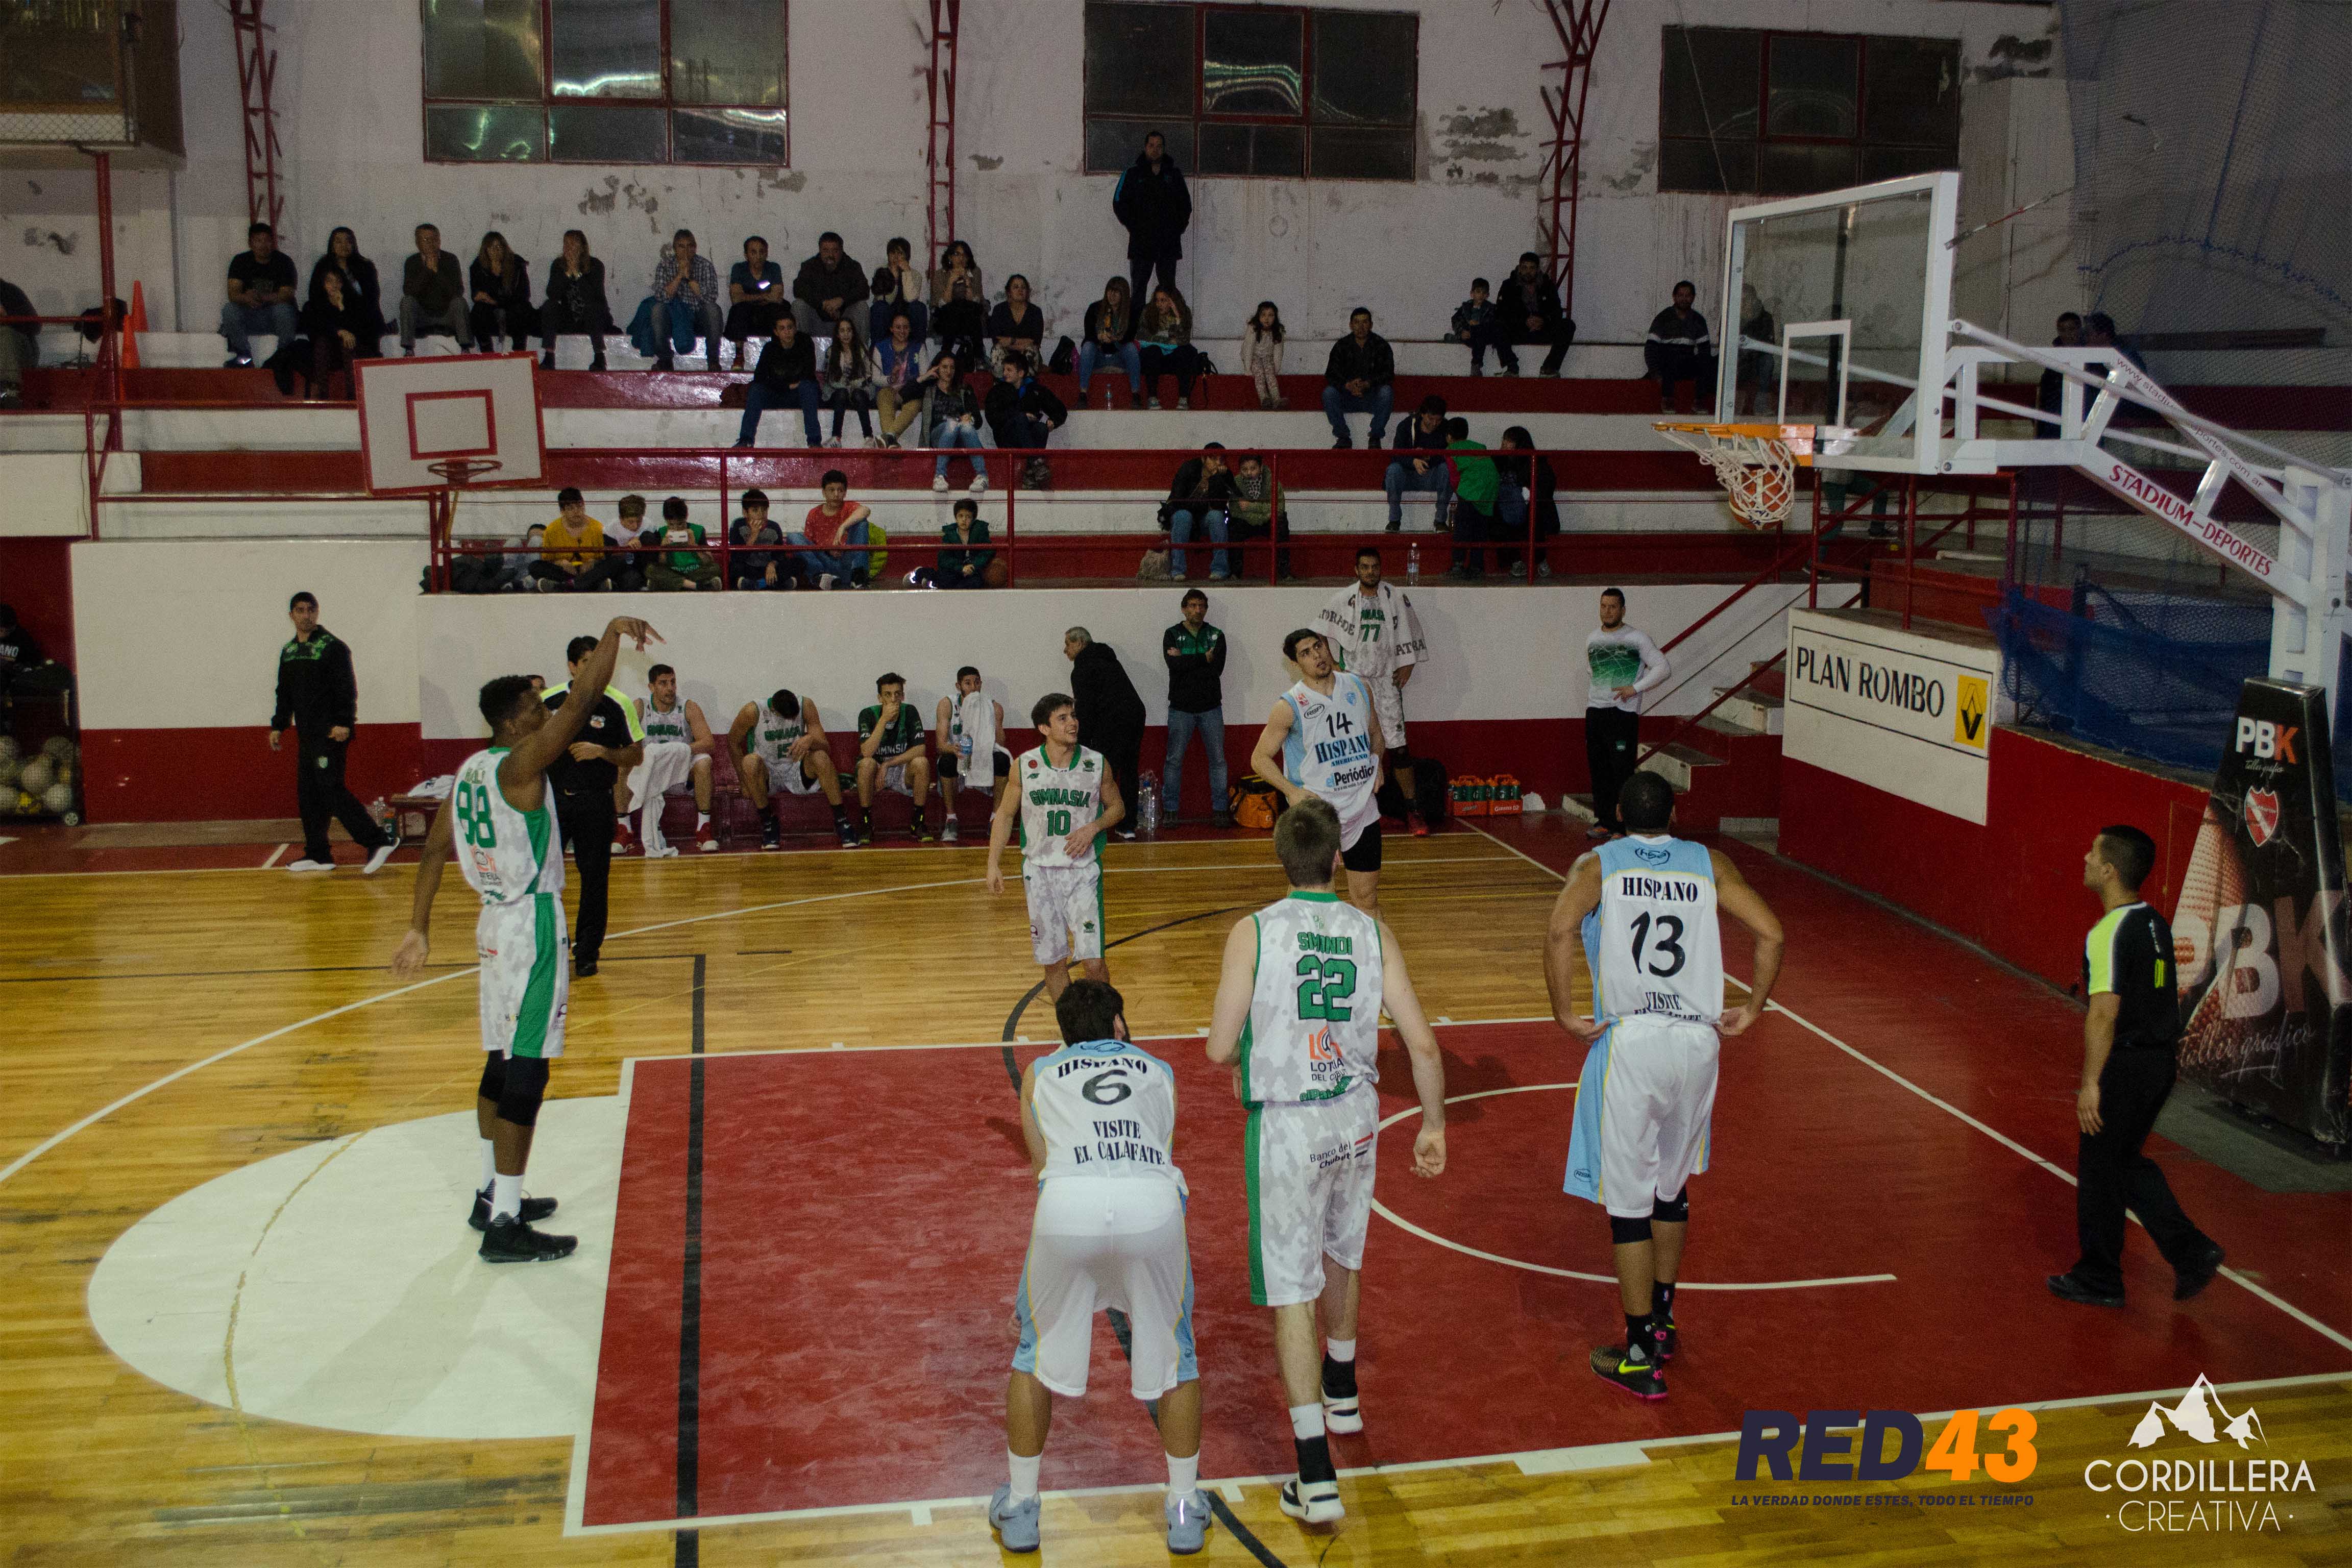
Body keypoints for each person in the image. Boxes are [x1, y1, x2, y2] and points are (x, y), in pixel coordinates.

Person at [1203, 798, 1448, 1526]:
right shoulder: (1372, 931)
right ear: (1338, 857)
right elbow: (1422, 1042)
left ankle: (1314, 1474)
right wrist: (1434, 1123)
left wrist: (1246, 1058)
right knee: (1344, 1251)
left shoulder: (1254, 931)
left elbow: (1218, 1047)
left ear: (1281, 857)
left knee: (1291, 1291)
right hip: (1357, 1117)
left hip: (1290, 1125)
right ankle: (1343, 1391)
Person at [391, 616, 659, 1262]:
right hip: (531, 925)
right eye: (536, 710)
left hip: (492, 927)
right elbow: (583, 702)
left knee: (499, 1061)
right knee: (527, 1072)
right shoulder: (520, 765)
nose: (546, 714)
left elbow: (432, 852)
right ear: (514, 724)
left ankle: (492, 1195)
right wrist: (611, 635)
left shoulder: (470, 772)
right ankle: (507, 1225)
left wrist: (418, 927)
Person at [1544, 771, 1783, 1396]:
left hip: (1634, 1042)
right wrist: (1754, 1007)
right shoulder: (1710, 864)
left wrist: (1565, 1014)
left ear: (1620, 815)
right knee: (1671, 1192)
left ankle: (1638, 1355)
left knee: (1628, 1207)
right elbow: (1772, 933)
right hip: (1699, 1043)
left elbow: (1560, 930)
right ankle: (1664, 1321)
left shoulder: (1598, 864)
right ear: (1674, 813)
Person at [988, 978, 1209, 1557]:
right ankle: (1183, 1507)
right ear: (1118, 1026)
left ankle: (1022, 1506)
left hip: (1069, 1209)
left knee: (1033, 1355)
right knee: (1178, 1357)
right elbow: (1157, 1152)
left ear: (1065, 1035)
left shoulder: (1039, 1075)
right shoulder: (1161, 1071)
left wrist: (1028, 1295)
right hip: (1150, 1208)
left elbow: (1045, 1173)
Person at [2048, 826, 2226, 1309]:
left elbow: (2103, 1014)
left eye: (2093, 852)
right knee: (2123, 1162)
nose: (2085, 857)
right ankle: (2192, 1253)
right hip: (2159, 1064)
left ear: (2109, 871)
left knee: (2100, 1171)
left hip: (2126, 1066)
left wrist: (2091, 1084)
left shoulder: (2108, 932)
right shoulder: (2154, 923)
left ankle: (2100, 1278)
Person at [986, 692, 1124, 998]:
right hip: (1040, 874)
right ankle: (1068, 1022)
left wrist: (1093, 827)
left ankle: (1104, 1021)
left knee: (1095, 962)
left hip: (1082, 874)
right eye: (1063, 718)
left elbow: (1118, 808)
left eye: (1073, 716)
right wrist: (993, 864)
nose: (1072, 723)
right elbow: (1005, 815)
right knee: (1054, 963)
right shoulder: (1025, 766)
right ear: (1044, 728)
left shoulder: (1096, 763)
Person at [1252, 630, 1384, 911]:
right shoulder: (1289, 705)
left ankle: (1372, 944)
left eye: (1318, 646)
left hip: (1362, 810)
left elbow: (1375, 733)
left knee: (1368, 901)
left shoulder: (1359, 687)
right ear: (1295, 664)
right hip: (1317, 815)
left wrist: (1378, 760)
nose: (1317, 656)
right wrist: (1292, 792)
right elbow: (1260, 759)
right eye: (1306, 653)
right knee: (1310, 904)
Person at [269, 590, 397, 874]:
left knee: (330, 789)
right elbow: (284, 692)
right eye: (300, 610)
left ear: (317, 613)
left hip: (331, 733)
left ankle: (377, 841)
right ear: (291, 615)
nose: (306, 615)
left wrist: (344, 723)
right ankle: (318, 855)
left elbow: (346, 688)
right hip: (307, 735)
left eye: (311, 610)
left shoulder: (333, 647)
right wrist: (279, 725)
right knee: (308, 794)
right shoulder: (289, 652)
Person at [542, 634, 646, 976]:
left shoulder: (618, 703)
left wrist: (602, 752)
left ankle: (586, 952)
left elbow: (636, 754)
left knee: (595, 879)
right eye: (587, 662)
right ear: (572, 667)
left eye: (599, 661)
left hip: (596, 802)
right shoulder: (549, 702)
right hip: (553, 802)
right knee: (545, 879)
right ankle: (551, 946)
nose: (594, 668)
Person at [1317, 552, 1430, 836]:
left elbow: (1413, 630)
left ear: (1381, 568)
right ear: (1356, 569)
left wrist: (1409, 665)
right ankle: (1361, 811)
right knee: (1357, 748)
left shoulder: (1394, 597)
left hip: (1386, 681)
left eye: (1375, 567)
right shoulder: (1344, 598)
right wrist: (1334, 665)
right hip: (1355, 682)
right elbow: (1319, 629)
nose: (1370, 571)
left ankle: (1413, 810)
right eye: (1365, 567)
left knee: (1399, 748)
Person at [727, 688, 856, 850]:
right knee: (749, 762)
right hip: (768, 772)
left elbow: (826, 747)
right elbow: (732, 742)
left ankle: (842, 821)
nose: (792, 720)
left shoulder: (806, 705)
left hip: (795, 768)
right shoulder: (753, 711)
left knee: (821, 757)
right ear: (774, 711)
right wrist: (743, 780)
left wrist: (810, 740)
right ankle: (768, 823)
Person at [1584, 589, 1668, 838]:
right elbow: (1593, 672)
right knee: (1599, 770)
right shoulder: (1592, 639)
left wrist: (1635, 688)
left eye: (1613, 607)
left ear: (1623, 610)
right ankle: (1604, 821)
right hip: (1595, 713)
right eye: (1603, 606)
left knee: (1621, 771)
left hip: (1622, 715)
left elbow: (1663, 668)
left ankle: (1623, 827)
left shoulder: (1638, 638)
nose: (1607, 611)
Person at [626, 663, 717, 856]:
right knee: (622, 763)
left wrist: (677, 750)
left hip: (680, 774)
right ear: (651, 687)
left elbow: (709, 743)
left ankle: (704, 828)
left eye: (673, 682)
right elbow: (627, 742)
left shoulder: (688, 707)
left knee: (704, 762)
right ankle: (624, 829)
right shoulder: (640, 706)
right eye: (663, 683)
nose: (670, 688)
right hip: (651, 773)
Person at [1065, 627, 1145, 841]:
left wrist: (1082, 744)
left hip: (1111, 722)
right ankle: (1128, 826)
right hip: (1135, 717)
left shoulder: (1082, 668)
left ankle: (1094, 825)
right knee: (1129, 771)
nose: (1065, 650)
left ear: (1080, 643)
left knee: (1101, 773)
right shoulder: (1110, 660)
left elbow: (1086, 708)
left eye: (1068, 644)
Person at [1162, 587, 1231, 827]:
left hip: (1211, 707)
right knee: (1173, 760)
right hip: (1180, 708)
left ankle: (1220, 809)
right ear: (1184, 609)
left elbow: (1216, 670)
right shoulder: (1172, 634)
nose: (1197, 610)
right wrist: (1203, 658)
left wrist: (1184, 658)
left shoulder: (1216, 635)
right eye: (1192, 606)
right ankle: (1170, 810)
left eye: (1202, 606)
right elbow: (1174, 666)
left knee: (1218, 760)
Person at [1113, 130, 1192, 305]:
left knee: (1168, 291)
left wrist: (1176, 229)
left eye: (1159, 146)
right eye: (1151, 146)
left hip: (1168, 244)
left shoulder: (1174, 175)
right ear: (1145, 147)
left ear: (1164, 149)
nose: (1155, 150)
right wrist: (1135, 227)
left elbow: (1185, 205)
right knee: (1138, 291)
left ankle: (1168, 323)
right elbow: (1119, 202)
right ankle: (1137, 323)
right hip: (1141, 244)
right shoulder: (1133, 174)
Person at [856, 672, 937, 843]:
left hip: (901, 770)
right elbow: (867, 752)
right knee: (866, 764)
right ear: (880, 698)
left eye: (897, 694)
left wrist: (889, 764)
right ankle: (866, 823)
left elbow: (920, 749)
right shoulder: (867, 714)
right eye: (888, 695)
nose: (893, 699)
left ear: (903, 696)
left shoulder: (910, 711)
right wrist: (884, 719)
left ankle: (918, 822)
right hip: (876, 771)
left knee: (922, 763)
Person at [935, 664, 1010, 841]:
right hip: (960, 756)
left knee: (1003, 759)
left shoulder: (993, 706)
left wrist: (994, 719)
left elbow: (1001, 743)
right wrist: (954, 749)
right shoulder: (947, 705)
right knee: (945, 761)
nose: (973, 687)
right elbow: (940, 745)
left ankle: (995, 819)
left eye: (977, 683)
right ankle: (951, 819)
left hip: (983, 758)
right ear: (958, 686)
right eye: (968, 683)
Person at [732, 313, 822, 449]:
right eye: (782, 329)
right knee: (756, 389)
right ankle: (746, 440)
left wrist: (788, 385)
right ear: (776, 332)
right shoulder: (770, 349)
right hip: (777, 394)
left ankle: (814, 442)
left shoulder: (805, 344)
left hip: (799, 395)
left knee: (809, 386)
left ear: (795, 329)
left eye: (790, 328)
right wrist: (787, 386)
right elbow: (760, 378)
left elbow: (809, 373)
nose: (787, 332)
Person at [985, 351, 1067, 491]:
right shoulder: (997, 391)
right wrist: (1021, 416)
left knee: (1041, 428)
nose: (1005, 373)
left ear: (1021, 373)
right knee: (1021, 419)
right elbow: (992, 417)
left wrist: (1054, 421)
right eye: (1004, 370)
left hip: (1029, 436)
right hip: (1006, 437)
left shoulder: (1035, 390)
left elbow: (1060, 410)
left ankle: (1030, 473)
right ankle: (1036, 463)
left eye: (1009, 370)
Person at [222, 222, 300, 367]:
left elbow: (287, 294)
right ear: (250, 243)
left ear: (273, 242)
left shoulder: (284, 262)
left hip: (276, 318)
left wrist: (261, 297)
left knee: (284, 310)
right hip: (250, 316)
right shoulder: (240, 261)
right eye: (258, 240)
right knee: (229, 310)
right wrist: (246, 298)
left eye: (267, 240)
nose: (263, 245)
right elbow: (233, 294)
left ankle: (284, 355)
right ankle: (244, 358)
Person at [646, 228, 722, 372]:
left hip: (698, 317)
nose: (686, 251)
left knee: (713, 310)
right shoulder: (665, 265)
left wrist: (690, 279)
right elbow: (661, 296)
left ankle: (713, 360)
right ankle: (665, 359)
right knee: (657, 310)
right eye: (682, 247)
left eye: (690, 246)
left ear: (695, 248)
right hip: (675, 318)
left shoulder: (705, 265)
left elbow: (711, 297)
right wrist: (679, 276)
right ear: (675, 249)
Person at [301, 262, 378, 402]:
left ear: (343, 284)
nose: (334, 285)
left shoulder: (354, 304)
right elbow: (318, 328)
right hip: (326, 353)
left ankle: (353, 397)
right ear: (323, 284)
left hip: (351, 350)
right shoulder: (313, 305)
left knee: (347, 344)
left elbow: (358, 330)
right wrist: (340, 332)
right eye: (329, 281)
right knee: (323, 342)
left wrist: (341, 307)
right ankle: (322, 396)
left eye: (338, 281)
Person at [1160, 443, 1237, 582]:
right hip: (1184, 515)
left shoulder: (1225, 475)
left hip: (1204, 519)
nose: (1218, 463)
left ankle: (1220, 569)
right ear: (1203, 458)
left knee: (1217, 516)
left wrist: (1216, 479)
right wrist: (1197, 507)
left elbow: (1218, 506)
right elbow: (1177, 500)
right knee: (1184, 516)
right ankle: (1177, 570)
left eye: (1221, 460)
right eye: (1213, 459)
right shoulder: (1188, 469)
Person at [530, 488, 629, 594]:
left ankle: (565, 586)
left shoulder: (598, 528)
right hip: (566, 572)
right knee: (535, 566)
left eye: (580, 506)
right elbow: (548, 560)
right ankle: (590, 585)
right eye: (570, 508)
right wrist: (560, 563)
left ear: (584, 507)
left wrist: (593, 562)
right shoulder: (552, 530)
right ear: (562, 511)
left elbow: (604, 558)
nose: (576, 512)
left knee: (618, 561)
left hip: (590, 572)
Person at [1322, 308, 1396, 450]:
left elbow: (1388, 374)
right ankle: (1343, 437)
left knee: (1387, 392)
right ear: (1351, 325)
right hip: (1347, 397)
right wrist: (1348, 385)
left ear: (1371, 325)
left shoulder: (1381, 346)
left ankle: (1375, 437)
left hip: (1372, 397)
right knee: (1329, 393)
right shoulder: (1341, 346)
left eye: (1365, 322)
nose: (1361, 327)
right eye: (1357, 322)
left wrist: (1368, 384)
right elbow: (1331, 374)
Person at [540, 229, 614, 371]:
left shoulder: (595, 265)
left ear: (582, 247)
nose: (569, 248)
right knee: (549, 306)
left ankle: (599, 356)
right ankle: (549, 355)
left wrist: (578, 275)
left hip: (592, 317)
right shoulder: (558, 265)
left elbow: (594, 296)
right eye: (566, 244)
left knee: (593, 309)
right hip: (569, 317)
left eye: (573, 244)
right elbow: (553, 294)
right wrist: (568, 273)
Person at [1493, 425, 1560, 578]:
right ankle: (1515, 561)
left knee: (1536, 514)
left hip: (1532, 506)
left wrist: (1527, 498)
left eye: (1509, 441)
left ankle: (1540, 560)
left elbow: (1546, 489)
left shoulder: (1537, 461)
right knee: (1499, 515)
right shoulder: (1498, 461)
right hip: (1508, 508)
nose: (1504, 444)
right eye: (1504, 440)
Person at [1496, 252, 1574, 377]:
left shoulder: (1548, 285)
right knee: (1497, 326)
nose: (1528, 272)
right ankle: (1512, 367)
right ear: (1519, 268)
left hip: (1543, 330)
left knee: (1568, 325)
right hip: (1518, 330)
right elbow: (1501, 312)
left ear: (1538, 270)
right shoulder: (1509, 285)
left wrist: (1543, 321)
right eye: (1525, 268)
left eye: (1532, 268)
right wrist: (1524, 321)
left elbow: (1557, 311)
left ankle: (1549, 367)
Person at [919, 351, 988, 493]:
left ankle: (982, 476)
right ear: (937, 368)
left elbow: (978, 420)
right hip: (938, 436)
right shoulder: (928, 389)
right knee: (951, 424)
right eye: (945, 367)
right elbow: (905, 393)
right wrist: (925, 376)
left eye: (952, 367)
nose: (949, 371)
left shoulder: (964, 389)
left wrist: (970, 418)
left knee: (967, 427)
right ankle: (939, 476)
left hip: (960, 435)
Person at [1383, 395, 1452, 533]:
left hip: (1432, 476)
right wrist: (1413, 461)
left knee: (1447, 469)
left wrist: (1429, 458)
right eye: (1431, 419)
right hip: (1407, 476)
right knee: (1393, 470)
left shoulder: (1446, 428)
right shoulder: (1406, 426)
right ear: (1422, 414)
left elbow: (1450, 454)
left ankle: (1440, 521)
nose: (1434, 424)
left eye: (1438, 420)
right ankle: (1394, 520)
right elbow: (1396, 455)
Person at [793, 469, 872, 589]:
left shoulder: (849, 507)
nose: (836, 494)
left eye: (840, 490)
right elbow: (809, 547)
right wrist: (827, 550)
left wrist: (842, 527)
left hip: (847, 563)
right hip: (825, 564)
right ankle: (820, 577)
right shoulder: (814, 514)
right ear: (824, 492)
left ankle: (859, 577)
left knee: (862, 524)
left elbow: (866, 510)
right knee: (794, 537)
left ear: (845, 493)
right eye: (831, 490)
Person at [307, 227, 384, 349]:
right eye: (339, 241)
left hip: (361, 316)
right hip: (333, 315)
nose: (344, 245)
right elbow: (316, 297)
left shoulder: (366, 266)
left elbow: (373, 297)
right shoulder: (323, 267)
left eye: (348, 241)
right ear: (332, 246)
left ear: (354, 244)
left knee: (371, 316)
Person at [398, 224, 471, 353]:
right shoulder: (412, 262)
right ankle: (409, 350)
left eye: (434, 239)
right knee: (407, 302)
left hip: (447, 315)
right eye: (426, 240)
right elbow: (409, 292)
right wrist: (427, 271)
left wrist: (437, 271)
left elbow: (457, 292)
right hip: (422, 316)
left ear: (439, 241)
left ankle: (465, 348)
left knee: (460, 302)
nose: (431, 243)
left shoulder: (450, 259)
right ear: (418, 243)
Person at [1443, 417, 1500, 579]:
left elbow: (1454, 476)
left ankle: (1458, 564)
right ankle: (1477, 566)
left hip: (1471, 490)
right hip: (1490, 488)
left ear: (1449, 436)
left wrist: (1461, 494)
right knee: (1480, 528)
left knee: (1462, 527)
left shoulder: (1451, 449)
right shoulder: (1479, 446)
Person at [1644, 280, 1713, 413]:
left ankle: (1699, 402)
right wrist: (1655, 373)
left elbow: (1705, 350)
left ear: (1693, 298)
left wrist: (1704, 365)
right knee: (1670, 359)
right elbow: (1650, 349)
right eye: (1681, 295)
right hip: (1667, 363)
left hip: (1686, 363)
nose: (1684, 299)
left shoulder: (1699, 320)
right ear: (1674, 297)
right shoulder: (1663, 318)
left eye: (1688, 296)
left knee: (1709, 361)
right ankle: (1667, 400)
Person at [1078, 276, 1143, 409]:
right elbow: (1089, 335)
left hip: (1119, 357)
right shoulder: (1095, 308)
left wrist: (1115, 338)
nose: (1112, 295)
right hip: (1100, 356)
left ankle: (1136, 394)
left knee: (1131, 348)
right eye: (1110, 291)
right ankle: (1083, 393)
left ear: (1124, 295)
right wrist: (1100, 337)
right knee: (1088, 347)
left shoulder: (1132, 311)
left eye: (1116, 292)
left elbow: (1130, 336)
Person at [723, 235, 788, 368]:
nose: (758, 256)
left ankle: (780, 356)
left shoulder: (773, 268)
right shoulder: (739, 269)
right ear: (746, 255)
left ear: (766, 254)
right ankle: (739, 355)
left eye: (762, 252)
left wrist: (749, 297)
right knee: (738, 310)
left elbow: (777, 298)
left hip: (767, 312)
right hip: (748, 313)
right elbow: (736, 298)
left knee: (781, 310)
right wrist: (763, 297)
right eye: (753, 252)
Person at [791, 231, 869, 339]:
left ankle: (860, 350)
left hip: (844, 322)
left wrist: (842, 301)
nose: (830, 255)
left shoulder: (852, 266)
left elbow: (864, 290)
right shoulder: (810, 266)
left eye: (835, 251)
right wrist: (822, 303)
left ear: (841, 251)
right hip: (817, 321)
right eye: (826, 250)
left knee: (862, 307)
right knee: (798, 305)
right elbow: (798, 289)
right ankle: (801, 349)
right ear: (820, 250)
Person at [1228, 453, 1293, 582]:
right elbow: (1235, 511)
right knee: (1234, 525)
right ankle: (1235, 572)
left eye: (1253, 468)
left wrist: (1251, 507)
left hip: (1268, 522)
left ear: (1261, 468)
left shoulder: (1273, 482)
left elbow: (1278, 508)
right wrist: (1262, 513)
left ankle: (1284, 571)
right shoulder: (1236, 483)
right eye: (1245, 469)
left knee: (1281, 523)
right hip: (1246, 522)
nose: (1249, 473)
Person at [467, 231, 536, 352]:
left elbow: (524, 295)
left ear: (505, 248)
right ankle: (487, 352)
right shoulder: (478, 266)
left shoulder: (516, 264)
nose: (496, 251)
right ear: (486, 250)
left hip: (512, 308)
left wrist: (496, 302)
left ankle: (519, 352)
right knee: (477, 312)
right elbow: (476, 292)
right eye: (491, 247)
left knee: (521, 310)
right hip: (490, 311)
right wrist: (479, 296)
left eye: (499, 247)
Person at [1135, 284, 1199, 410]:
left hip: (1174, 358)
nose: (1159, 304)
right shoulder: (1148, 312)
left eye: (1163, 300)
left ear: (1172, 301)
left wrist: (1178, 318)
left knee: (1185, 352)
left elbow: (1184, 339)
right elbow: (1142, 336)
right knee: (1152, 351)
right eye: (1157, 300)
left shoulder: (1184, 312)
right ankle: (1152, 397)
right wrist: (1168, 340)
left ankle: (1183, 398)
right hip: (1155, 358)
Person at [871, 310, 928, 446]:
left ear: (910, 329)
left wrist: (909, 388)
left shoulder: (919, 347)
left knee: (914, 405)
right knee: (884, 398)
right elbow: (876, 378)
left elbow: (925, 376)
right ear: (891, 329)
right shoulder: (880, 347)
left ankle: (888, 439)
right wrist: (891, 379)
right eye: (898, 327)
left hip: (911, 392)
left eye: (906, 327)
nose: (902, 331)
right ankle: (891, 442)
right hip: (888, 389)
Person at [820, 312, 877, 446]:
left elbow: (868, 375)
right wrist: (847, 387)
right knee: (842, 394)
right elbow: (831, 379)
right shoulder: (831, 352)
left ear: (853, 333)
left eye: (849, 330)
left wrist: (855, 386)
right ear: (837, 334)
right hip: (838, 390)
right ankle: (836, 438)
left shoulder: (862, 349)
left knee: (858, 395)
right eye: (842, 331)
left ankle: (869, 437)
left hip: (859, 388)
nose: (846, 334)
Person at [916, 496, 998, 589]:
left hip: (972, 572)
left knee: (976, 583)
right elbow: (944, 559)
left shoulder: (980, 532)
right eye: (961, 516)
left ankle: (933, 582)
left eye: (968, 517)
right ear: (956, 518)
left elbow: (987, 552)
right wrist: (961, 568)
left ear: (973, 519)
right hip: (955, 571)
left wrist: (974, 566)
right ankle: (920, 573)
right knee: (947, 579)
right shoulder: (950, 534)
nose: (964, 520)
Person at [928, 238, 986, 368]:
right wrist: (951, 282)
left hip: (969, 320)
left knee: (970, 308)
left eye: (965, 255)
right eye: (957, 254)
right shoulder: (940, 275)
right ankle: (979, 357)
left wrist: (967, 282)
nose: (961, 258)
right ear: (950, 257)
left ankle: (945, 355)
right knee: (953, 309)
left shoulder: (975, 272)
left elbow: (977, 301)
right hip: (945, 320)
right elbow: (941, 304)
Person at [643, 496, 718, 592]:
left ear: (686, 517)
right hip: (672, 571)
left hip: (694, 572)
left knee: (715, 568)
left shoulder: (698, 530)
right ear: (666, 520)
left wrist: (694, 546)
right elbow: (662, 564)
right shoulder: (661, 532)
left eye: (680, 524)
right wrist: (663, 549)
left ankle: (672, 584)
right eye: (671, 525)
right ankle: (695, 586)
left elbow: (709, 561)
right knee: (651, 569)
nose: (676, 528)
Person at [867, 235, 928, 349]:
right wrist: (894, 279)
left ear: (907, 256)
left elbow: (910, 298)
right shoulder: (881, 272)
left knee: (919, 307)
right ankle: (876, 349)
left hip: (907, 312)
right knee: (879, 308)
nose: (896, 257)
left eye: (900, 253)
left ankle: (919, 349)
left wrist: (906, 273)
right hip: (888, 312)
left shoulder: (915, 275)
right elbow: (884, 299)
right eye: (893, 253)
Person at [986, 274, 1048, 379]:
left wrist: (1011, 341)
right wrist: (1021, 343)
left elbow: (1035, 341)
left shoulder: (1035, 312)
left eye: (1023, 287)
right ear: (1009, 292)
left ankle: (1027, 385)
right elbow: (997, 340)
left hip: (1026, 353)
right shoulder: (999, 310)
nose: (1020, 290)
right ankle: (1001, 384)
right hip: (1005, 354)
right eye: (1016, 287)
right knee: (997, 350)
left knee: (1031, 350)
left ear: (1027, 292)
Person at [728, 488, 792, 590]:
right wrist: (754, 536)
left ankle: (757, 584)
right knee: (733, 568)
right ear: (745, 512)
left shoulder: (774, 527)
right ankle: (776, 584)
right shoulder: (738, 525)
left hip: (768, 569)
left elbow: (780, 556)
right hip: (748, 568)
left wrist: (772, 565)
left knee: (797, 563)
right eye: (755, 510)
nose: (761, 515)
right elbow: (737, 558)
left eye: (764, 510)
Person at [2036, 311, 2084, 422]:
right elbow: (2046, 385)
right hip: (2056, 407)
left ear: (2079, 330)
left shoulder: (2091, 352)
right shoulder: (2055, 355)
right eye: (2062, 330)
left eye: (2071, 329)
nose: (2067, 334)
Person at [1448, 278, 1498, 375]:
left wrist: (1479, 324)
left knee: (1480, 337)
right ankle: (1456, 337)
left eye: (1484, 293)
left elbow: (1493, 322)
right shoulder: (1465, 308)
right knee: (1472, 336)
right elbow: (1456, 320)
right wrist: (1461, 332)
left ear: (1487, 295)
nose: (1481, 295)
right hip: (1468, 335)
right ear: (1472, 294)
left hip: (1483, 336)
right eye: (1478, 292)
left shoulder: (1491, 308)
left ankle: (1476, 365)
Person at [0, 275, 36, 407]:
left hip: (21, 351)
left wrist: (6, 317)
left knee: (5, 333)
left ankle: (10, 391)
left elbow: (35, 326)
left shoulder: (10, 292)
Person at [1245, 299, 1287, 409]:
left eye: (1271, 315)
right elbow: (1248, 348)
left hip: (1268, 357)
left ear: (1275, 317)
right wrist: (1248, 368)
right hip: (1255, 356)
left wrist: (1276, 368)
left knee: (1270, 375)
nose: (1267, 319)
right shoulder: (1253, 328)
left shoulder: (1278, 330)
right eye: (1263, 315)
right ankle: (1264, 398)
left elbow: (1278, 351)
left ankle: (1277, 399)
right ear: (1258, 316)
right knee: (1259, 375)